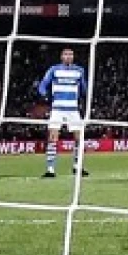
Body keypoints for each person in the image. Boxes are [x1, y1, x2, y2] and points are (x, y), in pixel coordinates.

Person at [38, 48, 90, 179]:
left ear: (73, 57)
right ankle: (50, 169)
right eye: (66, 54)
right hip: (57, 109)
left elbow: (84, 88)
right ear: (61, 56)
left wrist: (85, 93)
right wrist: (44, 95)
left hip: (73, 109)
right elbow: (43, 84)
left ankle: (77, 166)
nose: (68, 57)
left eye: (71, 54)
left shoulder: (79, 71)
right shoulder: (54, 69)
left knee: (79, 138)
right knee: (53, 138)